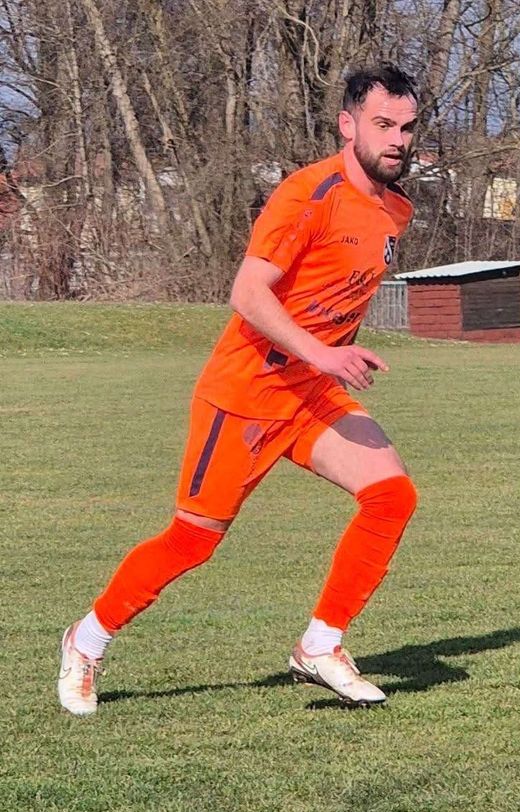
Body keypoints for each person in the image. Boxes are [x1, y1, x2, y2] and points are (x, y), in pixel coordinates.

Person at [58, 63, 420, 714]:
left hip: (310, 392)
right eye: (383, 124)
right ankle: (85, 641)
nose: (397, 139)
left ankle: (320, 645)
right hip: (245, 394)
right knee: (192, 541)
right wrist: (323, 352)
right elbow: (248, 293)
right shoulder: (308, 194)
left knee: (391, 496)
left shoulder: (397, 210)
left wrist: (327, 356)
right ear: (348, 125)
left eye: (407, 127)